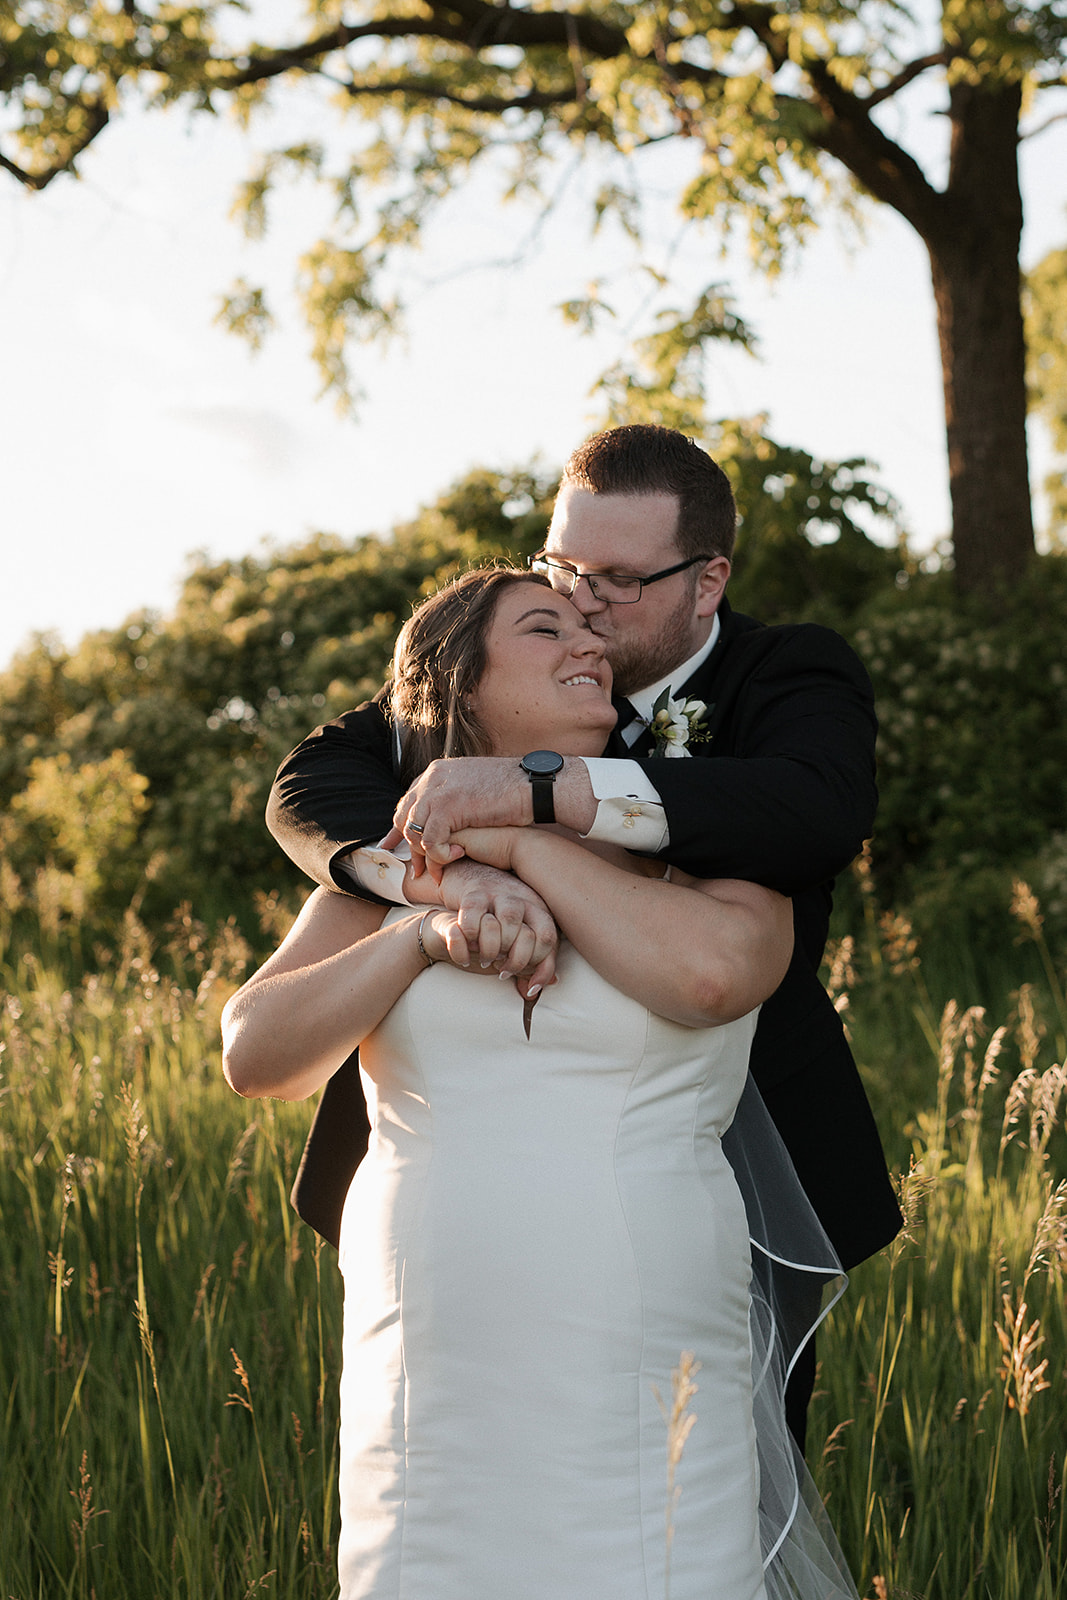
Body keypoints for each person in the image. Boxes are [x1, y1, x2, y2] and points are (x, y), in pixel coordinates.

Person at [224, 568, 857, 1600]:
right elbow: (254, 1052)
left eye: (593, 627)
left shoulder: (708, 834)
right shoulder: (394, 860)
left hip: (637, 1310)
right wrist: (422, 935)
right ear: (461, 685)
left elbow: (711, 976)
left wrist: (518, 838)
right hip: (428, 1314)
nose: (592, 642)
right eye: (545, 624)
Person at [266, 424, 902, 1445]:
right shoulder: (502, 663)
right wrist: (452, 872)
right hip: (465, 1176)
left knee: (701, 1480)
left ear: (707, 581)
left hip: (719, 1160)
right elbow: (310, 782)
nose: (579, 602)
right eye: (559, 565)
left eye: (614, 580)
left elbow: (815, 808)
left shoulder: (781, 673)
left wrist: (537, 794)